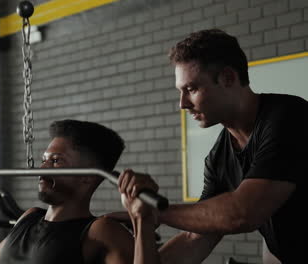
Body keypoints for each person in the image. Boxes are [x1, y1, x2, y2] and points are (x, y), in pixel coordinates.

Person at [117, 28, 308, 263]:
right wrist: (142, 218)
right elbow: (194, 237)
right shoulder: (218, 159)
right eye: (180, 91)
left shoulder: (289, 118)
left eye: (191, 89)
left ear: (228, 78)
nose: (182, 104)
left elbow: (244, 212)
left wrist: (158, 212)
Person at [0, 119, 161, 264]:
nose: (43, 169)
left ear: (88, 175)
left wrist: (142, 219)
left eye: (56, 161)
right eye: (43, 161)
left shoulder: (100, 231)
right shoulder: (30, 217)